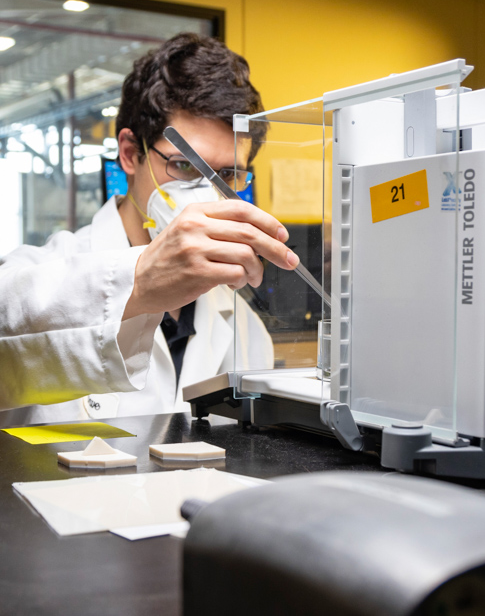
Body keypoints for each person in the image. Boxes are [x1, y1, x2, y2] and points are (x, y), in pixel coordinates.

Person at [0, 33, 299, 426]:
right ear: (129, 153)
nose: (208, 194)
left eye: (227, 174)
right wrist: (138, 282)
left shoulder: (245, 328)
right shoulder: (45, 267)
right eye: (184, 165)